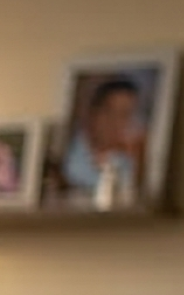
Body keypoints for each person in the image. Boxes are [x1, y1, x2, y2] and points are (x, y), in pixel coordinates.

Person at [61, 74, 148, 205]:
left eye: (124, 115)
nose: (114, 122)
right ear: (93, 112)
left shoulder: (126, 160)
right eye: (109, 112)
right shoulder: (67, 153)